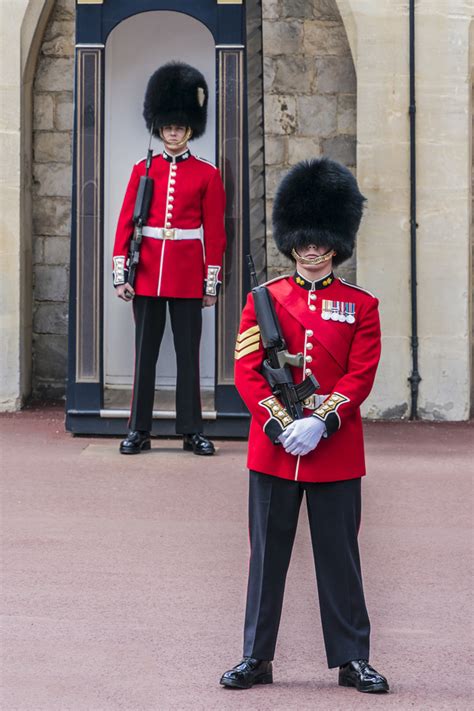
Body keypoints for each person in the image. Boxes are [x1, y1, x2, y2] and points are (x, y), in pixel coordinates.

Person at [220, 158, 389, 693]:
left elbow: (360, 375)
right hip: (273, 452)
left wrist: (320, 420)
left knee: (340, 559)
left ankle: (351, 659)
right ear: (291, 240)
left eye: (322, 240)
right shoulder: (262, 301)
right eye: (304, 240)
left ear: (337, 242)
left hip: (334, 450)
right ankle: (256, 656)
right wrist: (278, 424)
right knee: (266, 559)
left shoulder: (361, 305)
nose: (313, 249)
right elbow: (247, 373)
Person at [112, 62, 226, 456]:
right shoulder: (142, 170)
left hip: (187, 276)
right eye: (168, 126)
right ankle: (138, 430)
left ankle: (191, 430)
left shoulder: (207, 175)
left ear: (190, 128)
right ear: (159, 127)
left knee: (187, 357)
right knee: (144, 355)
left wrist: (210, 284)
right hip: (146, 275)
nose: (173, 132)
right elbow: (125, 225)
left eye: (179, 126)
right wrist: (120, 275)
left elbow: (215, 234)